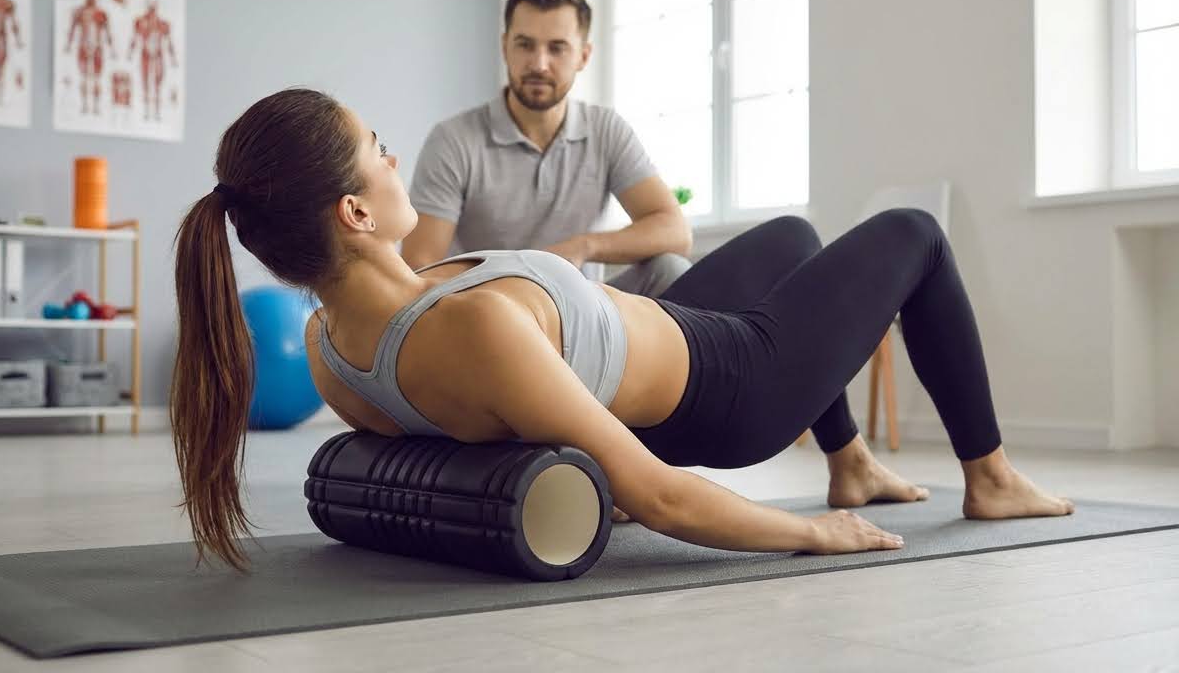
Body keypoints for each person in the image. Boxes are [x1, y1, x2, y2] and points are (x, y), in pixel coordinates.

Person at [171, 88, 1074, 571]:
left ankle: (852, 462)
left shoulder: (334, 355)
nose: (395, 155)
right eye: (376, 147)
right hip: (734, 385)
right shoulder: (472, 325)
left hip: (678, 334)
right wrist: (804, 536)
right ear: (356, 213)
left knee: (792, 239)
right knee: (913, 234)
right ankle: (990, 478)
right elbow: (656, 496)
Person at [401, 0, 691, 298]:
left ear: (583, 56)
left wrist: (584, 246)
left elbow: (675, 230)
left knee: (671, 270)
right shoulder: (454, 140)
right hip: (490, 317)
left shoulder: (606, 130)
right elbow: (419, 266)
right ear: (505, 46)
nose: (539, 64)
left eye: (557, 48)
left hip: (583, 312)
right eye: (525, 45)